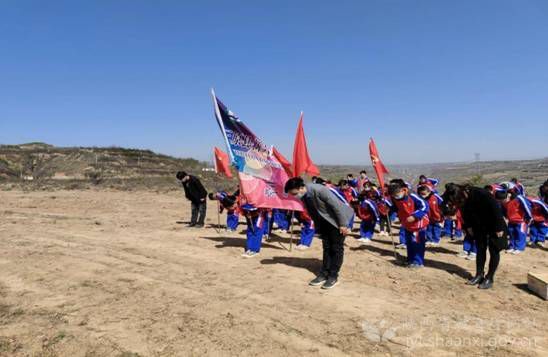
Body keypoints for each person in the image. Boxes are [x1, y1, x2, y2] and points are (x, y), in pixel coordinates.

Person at [285, 177, 355, 289]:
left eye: (294, 193)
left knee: (336, 248)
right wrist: (318, 228)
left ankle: (333, 276)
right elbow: (313, 212)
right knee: (326, 247)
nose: (294, 196)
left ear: (301, 188)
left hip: (338, 220)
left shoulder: (319, 190)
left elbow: (336, 206)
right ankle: (324, 273)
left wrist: (343, 224)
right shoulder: (304, 196)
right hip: (324, 222)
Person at [442, 183, 508, 290]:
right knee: (480, 249)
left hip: (494, 225)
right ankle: (479, 274)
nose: (459, 201)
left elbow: (496, 210)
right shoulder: (460, 198)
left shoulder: (482, 194)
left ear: (463, 191)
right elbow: (464, 212)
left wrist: (499, 228)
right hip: (478, 225)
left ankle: (489, 278)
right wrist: (468, 226)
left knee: (494, 250)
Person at [388, 179, 429, 268]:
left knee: (417, 244)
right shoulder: (394, 198)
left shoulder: (413, 196)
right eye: (393, 195)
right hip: (406, 224)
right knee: (409, 243)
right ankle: (410, 259)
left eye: (397, 194)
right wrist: (389, 209)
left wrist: (415, 216)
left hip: (418, 224)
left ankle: (418, 262)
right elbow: (395, 207)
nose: (396, 196)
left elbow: (425, 206)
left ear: (403, 189)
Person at [497, 183, 532, 254]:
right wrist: (506, 217)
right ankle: (512, 246)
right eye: (501, 201)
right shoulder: (502, 201)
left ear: (507, 196)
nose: (503, 202)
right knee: (511, 234)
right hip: (511, 220)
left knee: (520, 234)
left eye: (503, 200)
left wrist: (529, 217)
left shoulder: (519, 198)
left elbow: (527, 207)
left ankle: (519, 247)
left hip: (521, 220)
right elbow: (503, 210)